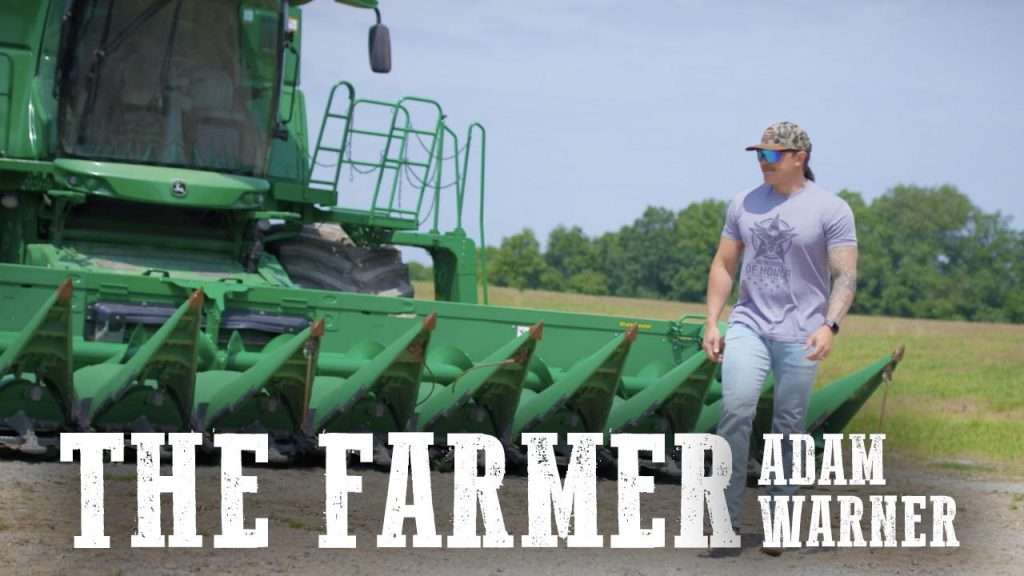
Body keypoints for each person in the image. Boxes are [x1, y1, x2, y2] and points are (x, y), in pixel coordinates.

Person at [702, 121, 858, 557]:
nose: (762, 162)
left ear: (798, 158)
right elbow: (723, 265)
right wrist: (712, 321)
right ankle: (726, 524)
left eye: (771, 155)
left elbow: (845, 275)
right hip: (749, 323)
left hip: (802, 333)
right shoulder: (743, 204)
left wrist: (830, 325)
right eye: (759, 154)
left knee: (788, 428)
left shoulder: (832, 209)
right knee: (735, 412)